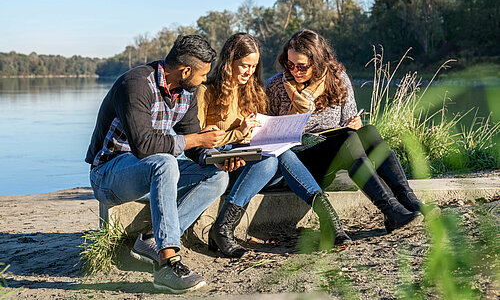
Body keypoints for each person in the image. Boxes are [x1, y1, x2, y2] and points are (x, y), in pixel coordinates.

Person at [85, 35, 233, 294]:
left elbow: (194, 144)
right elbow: (144, 147)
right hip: (109, 175)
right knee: (164, 162)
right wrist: (194, 139)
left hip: (154, 173)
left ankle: (153, 239)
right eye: (202, 75)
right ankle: (167, 264)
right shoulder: (136, 85)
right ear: (185, 71)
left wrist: (216, 156)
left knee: (217, 177)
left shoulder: (187, 91)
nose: (204, 80)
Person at [196, 32, 352, 258]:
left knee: (277, 154)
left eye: (254, 66)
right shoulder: (207, 91)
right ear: (229, 62)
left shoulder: (255, 92)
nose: (249, 72)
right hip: (227, 166)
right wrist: (237, 134)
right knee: (270, 159)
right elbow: (198, 143)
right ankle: (330, 222)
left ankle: (222, 229)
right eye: (244, 66)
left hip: (258, 164)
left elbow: (265, 131)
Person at [266, 29, 423, 233]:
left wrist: (354, 124)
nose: (295, 71)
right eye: (290, 64)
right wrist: (295, 109)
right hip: (300, 161)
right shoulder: (277, 85)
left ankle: (408, 200)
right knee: (348, 139)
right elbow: (268, 134)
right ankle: (391, 210)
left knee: (369, 133)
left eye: (302, 66)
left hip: (338, 154)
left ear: (318, 61)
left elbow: (349, 121)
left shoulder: (338, 78)